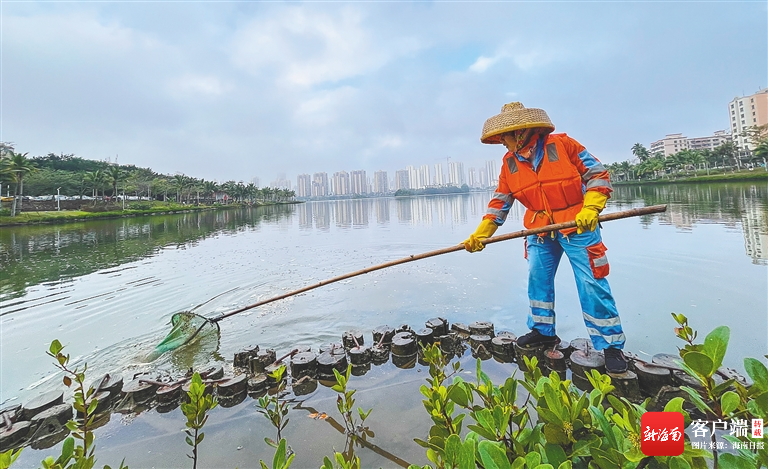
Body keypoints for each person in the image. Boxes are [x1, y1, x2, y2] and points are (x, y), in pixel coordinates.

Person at [463, 102, 628, 374]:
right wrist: (481, 234)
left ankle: (611, 345)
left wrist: (591, 206)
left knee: (591, 283)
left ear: (520, 133)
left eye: (504, 137)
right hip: (539, 230)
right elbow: (500, 203)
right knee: (537, 278)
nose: (502, 143)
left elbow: (597, 174)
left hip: (578, 224)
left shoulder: (564, 145)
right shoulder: (509, 164)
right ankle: (543, 331)